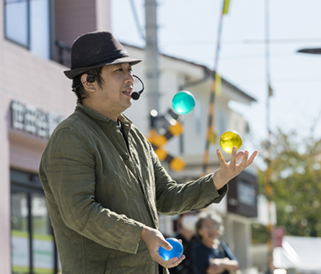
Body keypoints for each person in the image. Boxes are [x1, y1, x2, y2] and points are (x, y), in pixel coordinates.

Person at [39, 30, 258, 274]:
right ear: (89, 82)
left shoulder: (135, 138)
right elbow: (79, 213)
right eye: (118, 71)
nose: (129, 78)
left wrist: (219, 179)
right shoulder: (71, 136)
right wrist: (142, 234)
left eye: (129, 70)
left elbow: (167, 196)